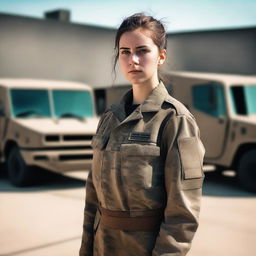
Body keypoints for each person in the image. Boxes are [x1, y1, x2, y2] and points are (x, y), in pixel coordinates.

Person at [79, 13, 205, 256]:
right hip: (101, 246)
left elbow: (183, 214)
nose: (132, 59)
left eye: (142, 50)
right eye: (124, 51)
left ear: (161, 56)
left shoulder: (175, 120)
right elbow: (92, 198)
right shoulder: (109, 118)